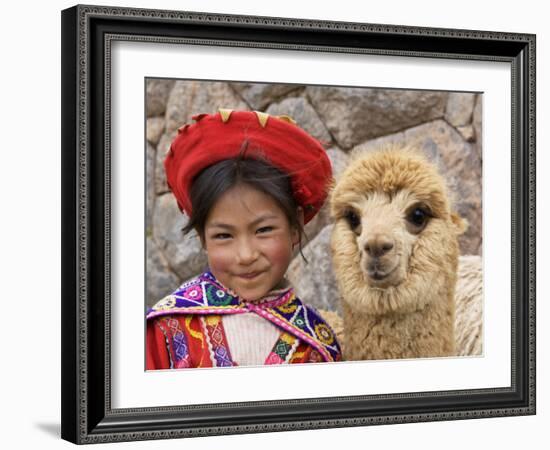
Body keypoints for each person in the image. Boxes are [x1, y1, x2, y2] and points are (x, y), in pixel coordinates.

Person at [146, 108, 342, 369]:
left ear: (294, 227)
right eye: (224, 235)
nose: (246, 255)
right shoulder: (166, 329)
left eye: (263, 230)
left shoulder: (317, 346)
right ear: (203, 237)